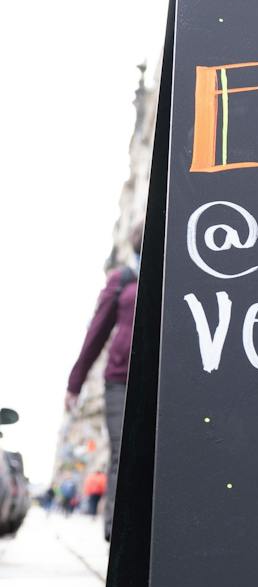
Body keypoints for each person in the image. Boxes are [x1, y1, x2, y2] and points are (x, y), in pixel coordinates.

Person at [66, 222, 141, 540]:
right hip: (121, 380)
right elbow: (96, 332)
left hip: (161, 379)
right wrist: (76, 381)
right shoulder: (123, 279)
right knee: (122, 452)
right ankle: (117, 532)